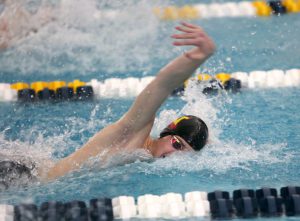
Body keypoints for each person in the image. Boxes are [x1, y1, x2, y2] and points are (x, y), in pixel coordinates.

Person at [43, 22, 215, 181]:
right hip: (30, 178)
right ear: (167, 132)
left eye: (185, 153)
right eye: (177, 145)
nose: (174, 156)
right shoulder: (133, 134)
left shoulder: (144, 158)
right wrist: (200, 55)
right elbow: (162, 85)